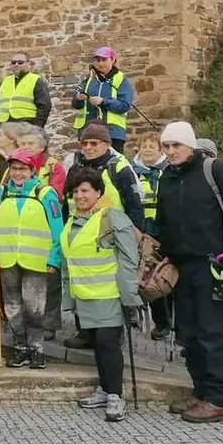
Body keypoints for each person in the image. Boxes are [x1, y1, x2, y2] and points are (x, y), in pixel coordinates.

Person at [156, 121, 223, 423]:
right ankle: (200, 392)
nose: (171, 152)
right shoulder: (167, 178)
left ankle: (219, 399)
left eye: (176, 146)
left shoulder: (215, 170)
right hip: (182, 265)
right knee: (190, 333)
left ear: (191, 146)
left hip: (213, 263)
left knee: (212, 333)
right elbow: (164, 220)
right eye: (166, 146)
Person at [50, 122, 145, 348]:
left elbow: (133, 202)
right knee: (79, 283)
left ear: (106, 144)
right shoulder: (75, 166)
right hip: (78, 233)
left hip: (108, 234)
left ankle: (112, 333)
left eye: (94, 143)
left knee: (108, 287)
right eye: (85, 143)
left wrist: (136, 233)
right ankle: (85, 333)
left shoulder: (119, 167)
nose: (89, 147)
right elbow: (67, 201)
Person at [62, 167, 142, 423]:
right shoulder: (72, 219)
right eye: (75, 191)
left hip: (109, 293)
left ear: (98, 192)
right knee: (98, 344)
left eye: (85, 190)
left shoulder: (112, 217)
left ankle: (116, 396)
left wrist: (129, 293)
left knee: (108, 343)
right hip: (85, 295)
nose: (79, 196)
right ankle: (104, 389)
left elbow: (129, 257)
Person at [0, 150, 64, 369]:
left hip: (37, 262)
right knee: (12, 307)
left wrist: (54, 259)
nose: (18, 173)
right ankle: (20, 347)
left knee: (34, 308)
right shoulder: (0, 194)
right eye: (14, 168)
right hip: (8, 260)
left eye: (23, 169)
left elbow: (58, 229)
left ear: (32, 171)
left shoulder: (45, 193)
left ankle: (37, 349)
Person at [130, 130, 172, 340]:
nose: (147, 150)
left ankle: (163, 322)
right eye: (144, 146)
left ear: (160, 150)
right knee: (136, 275)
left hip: (161, 232)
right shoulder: (131, 172)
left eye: (152, 146)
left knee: (157, 277)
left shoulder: (167, 172)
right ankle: (134, 315)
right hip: (139, 232)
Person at [72, 46, 135, 153]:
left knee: (112, 167)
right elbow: (76, 105)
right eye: (98, 60)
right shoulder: (89, 79)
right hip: (88, 133)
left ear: (113, 60)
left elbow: (124, 105)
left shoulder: (121, 79)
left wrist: (103, 101)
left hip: (113, 134)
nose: (101, 64)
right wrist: (78, 98)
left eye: (104, 60)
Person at [0, 52, 51, 131]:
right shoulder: (5, 81)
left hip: (26, 125)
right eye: (13, 62)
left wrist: (37, 127)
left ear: (28, 64)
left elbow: (44, 106)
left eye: (20, 62)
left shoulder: (36, 80)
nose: (16, 64)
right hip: (3, 126)